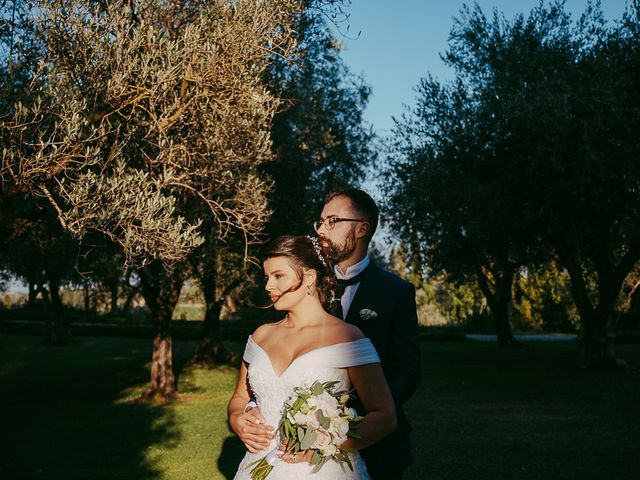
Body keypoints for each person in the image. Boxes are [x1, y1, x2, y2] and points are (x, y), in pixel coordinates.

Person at [228, 235, 397, 479]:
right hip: (259, 467)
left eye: (278, 276)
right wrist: (237, 418)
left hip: (324, 471)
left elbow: (385, 416)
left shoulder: (347, 337)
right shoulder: (261, 336)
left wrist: (324, 444)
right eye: (267, 277)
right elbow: (239, 398)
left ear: (309, 277)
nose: (267, 286)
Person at [317, 188, 421, 480]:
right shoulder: (308, 286)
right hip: (313, 437)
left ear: (361, 228)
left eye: (332, 221)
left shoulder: (396, 292)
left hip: (379, 443)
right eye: (321, 221)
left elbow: (409, 370)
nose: (322, 229)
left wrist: (371, 412)